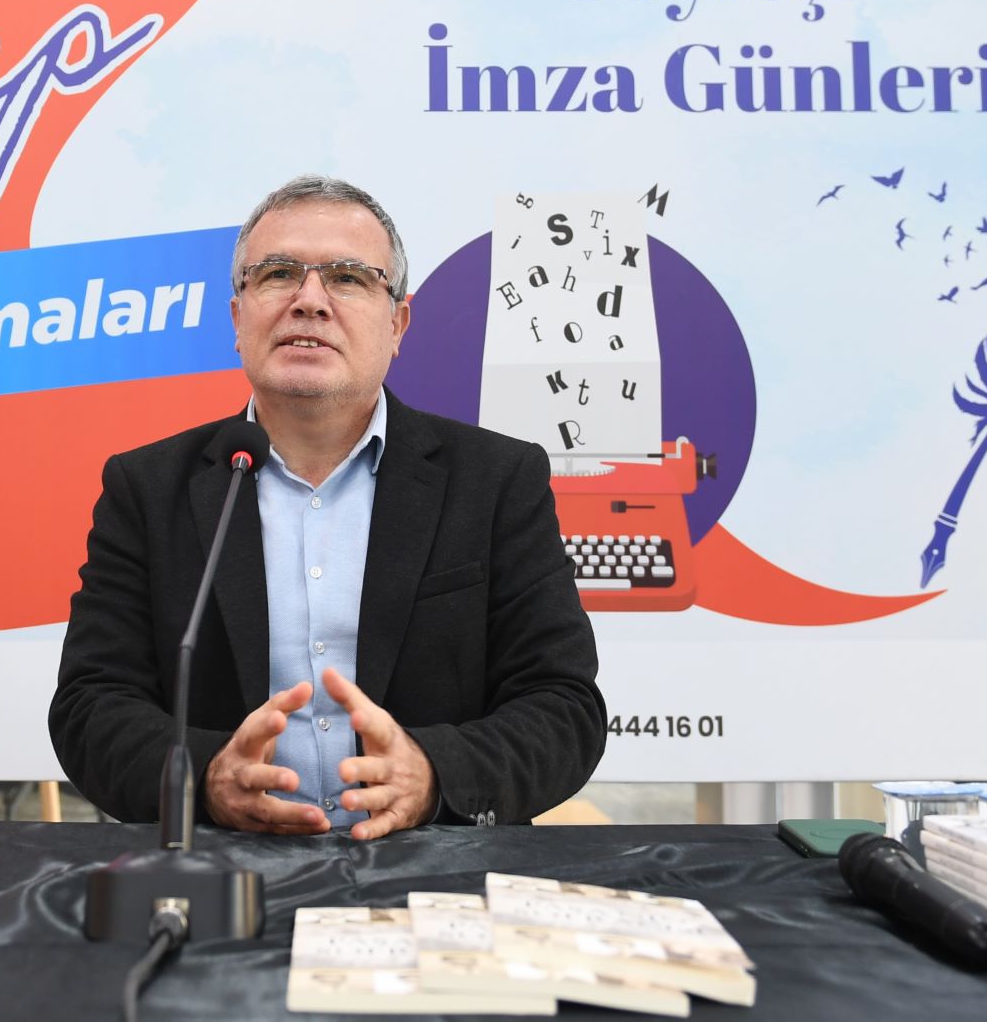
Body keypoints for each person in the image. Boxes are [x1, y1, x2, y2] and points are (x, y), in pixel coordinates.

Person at [50, 175, 606, 839]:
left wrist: (433, 777)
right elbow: (90, 705)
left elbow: (563, 706)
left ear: (397, 324)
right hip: (223, 869)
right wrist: (207, 778)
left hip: (438, 870)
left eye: (347, 278)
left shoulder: (496, 480)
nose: (309, 300)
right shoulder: (148, 488)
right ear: (237, 319)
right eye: (278, 274)